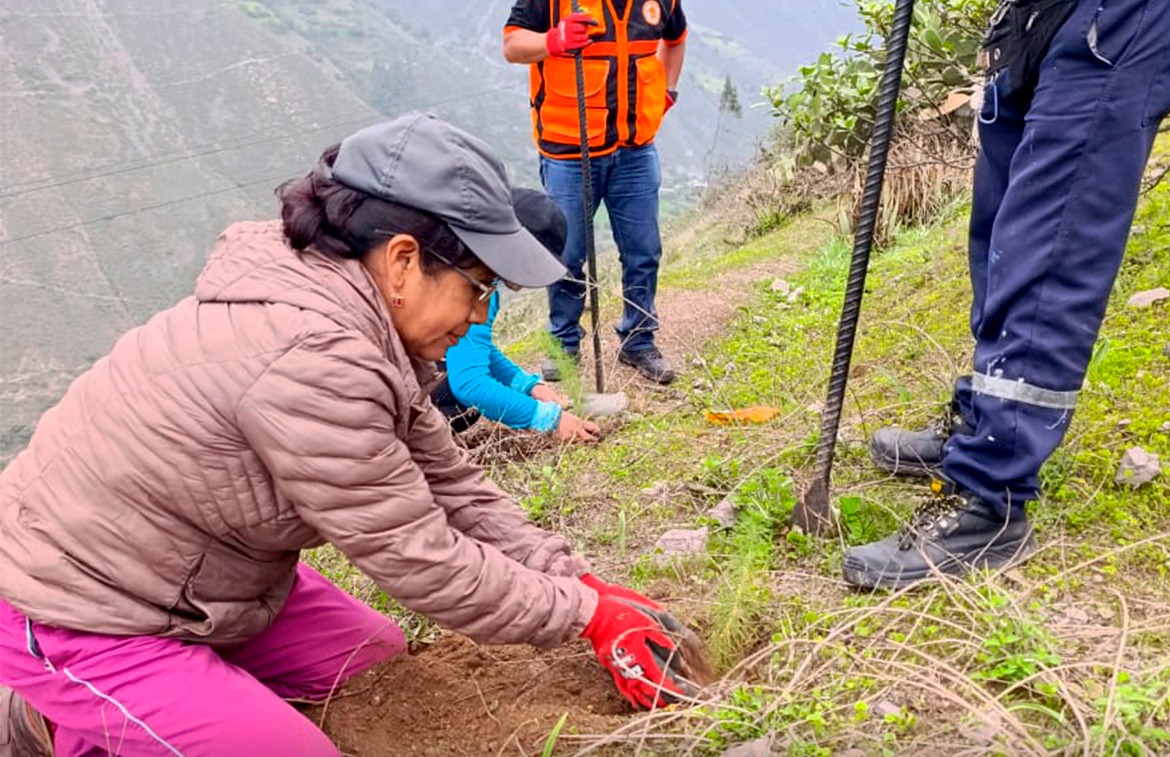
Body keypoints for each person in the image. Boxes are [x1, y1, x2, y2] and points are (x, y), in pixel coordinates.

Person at [0, 112, 698, 757]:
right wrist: (586, 615)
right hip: (76, 603)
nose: (479, 312)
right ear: (402, 261)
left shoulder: (362, 327)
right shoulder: (311, 357)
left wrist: (581, 581)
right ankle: (55, 719)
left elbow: (453, 488)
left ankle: (193, 697)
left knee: (373, 663)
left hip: (205, 580)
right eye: (478, 286)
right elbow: (421, 557)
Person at [842, 0, 1170, 590]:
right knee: (1002, 225)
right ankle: (983, 421)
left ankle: (989, 492)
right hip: (1035, 12)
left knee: (1051, 238)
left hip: (1119, 14)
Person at [502, 0, 688, 385]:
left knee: (643, 251)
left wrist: (668, 91)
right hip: (569, 152)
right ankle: (564, 343)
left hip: (635, 150)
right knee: (567, 254)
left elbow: (676, 39)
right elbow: (513, 46)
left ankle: (639, 341)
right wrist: (554, 40)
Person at [430, 188, 600, 443]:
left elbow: (473, 348)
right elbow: (471, 384)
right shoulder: (470, 287)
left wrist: (528, 386)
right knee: (459, 404)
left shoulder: (477, 274)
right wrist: (549, 419)